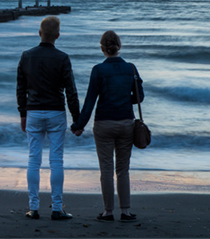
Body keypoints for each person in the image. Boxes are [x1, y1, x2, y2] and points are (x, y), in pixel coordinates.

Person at [70, 30, 144, 223]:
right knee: (123, 169)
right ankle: (126, 212)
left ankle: (108, 212)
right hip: (126, 123)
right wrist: (122, 100)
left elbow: (90, 102)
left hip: (103, 124)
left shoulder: (98, 70)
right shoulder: (131, 68)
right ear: (119, 46)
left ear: (102, 48)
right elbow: (139, 97)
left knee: (106, 169)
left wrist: (78, 125)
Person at [16, 16, 81, 221]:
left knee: (33, 160)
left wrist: (23, 113)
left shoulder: (26, 56)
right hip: (56, 112)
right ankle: (57, 208)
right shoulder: (62, 58)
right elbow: (71, 91)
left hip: (34, 112)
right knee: (56, 161)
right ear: (58, 36)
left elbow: (21, 89)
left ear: (39, 33)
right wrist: (77, 120)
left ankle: (33, 208)